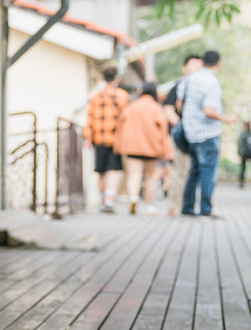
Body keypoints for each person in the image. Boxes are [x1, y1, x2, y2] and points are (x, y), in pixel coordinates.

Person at [177, 50, 238, 217]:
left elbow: (179, 105)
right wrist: (227, 118)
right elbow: (208, 110)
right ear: (219, 64)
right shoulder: (211, 82)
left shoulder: (189, 78)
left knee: (194, 171)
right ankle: (205, 210)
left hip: (191, 133)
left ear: (202, 62)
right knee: (208, 173)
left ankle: (187, 207)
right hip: (207, 134)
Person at [114, 82, 171, 215]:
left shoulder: (131, 106)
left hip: (132, 147)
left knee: (134, 175)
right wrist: (166, 150)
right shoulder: (157, 107)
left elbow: (120, 126)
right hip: (152, 147)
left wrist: (118, 146)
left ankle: (133, 198)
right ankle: (148, 206)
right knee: (150, 178)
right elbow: (163, 130)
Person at [84, 67, 130, 213]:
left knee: (101, 171)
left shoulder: (95, 97)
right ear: (117, 79)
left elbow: (89, 118)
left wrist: (87, 137)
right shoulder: (123, 96)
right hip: (117, 140)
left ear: (103, 79)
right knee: (113, 170)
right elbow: (126, 120)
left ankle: (103, 200)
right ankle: (109, 200)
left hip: (99, 139)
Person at [163, 54, 201, 216]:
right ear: (185, 68)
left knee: (196, 172)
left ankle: (188, 206)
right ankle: (174, 206)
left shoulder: (203, 87)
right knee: (180, 171)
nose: (196, 69)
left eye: (200, 66)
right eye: (193, 65)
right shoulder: (178, 86)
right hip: (183, 136)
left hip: (200, 136)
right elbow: (168, 109)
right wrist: (183, 126)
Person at [238, 121, 251, 188]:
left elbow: (240, 144)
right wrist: (239, 154)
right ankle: (241, 182)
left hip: (246, 153)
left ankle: (241, 182)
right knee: (243, 168)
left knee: (243, 168)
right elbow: (240, 144)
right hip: (245, 153)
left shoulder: (243, 134)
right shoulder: (243, 134)